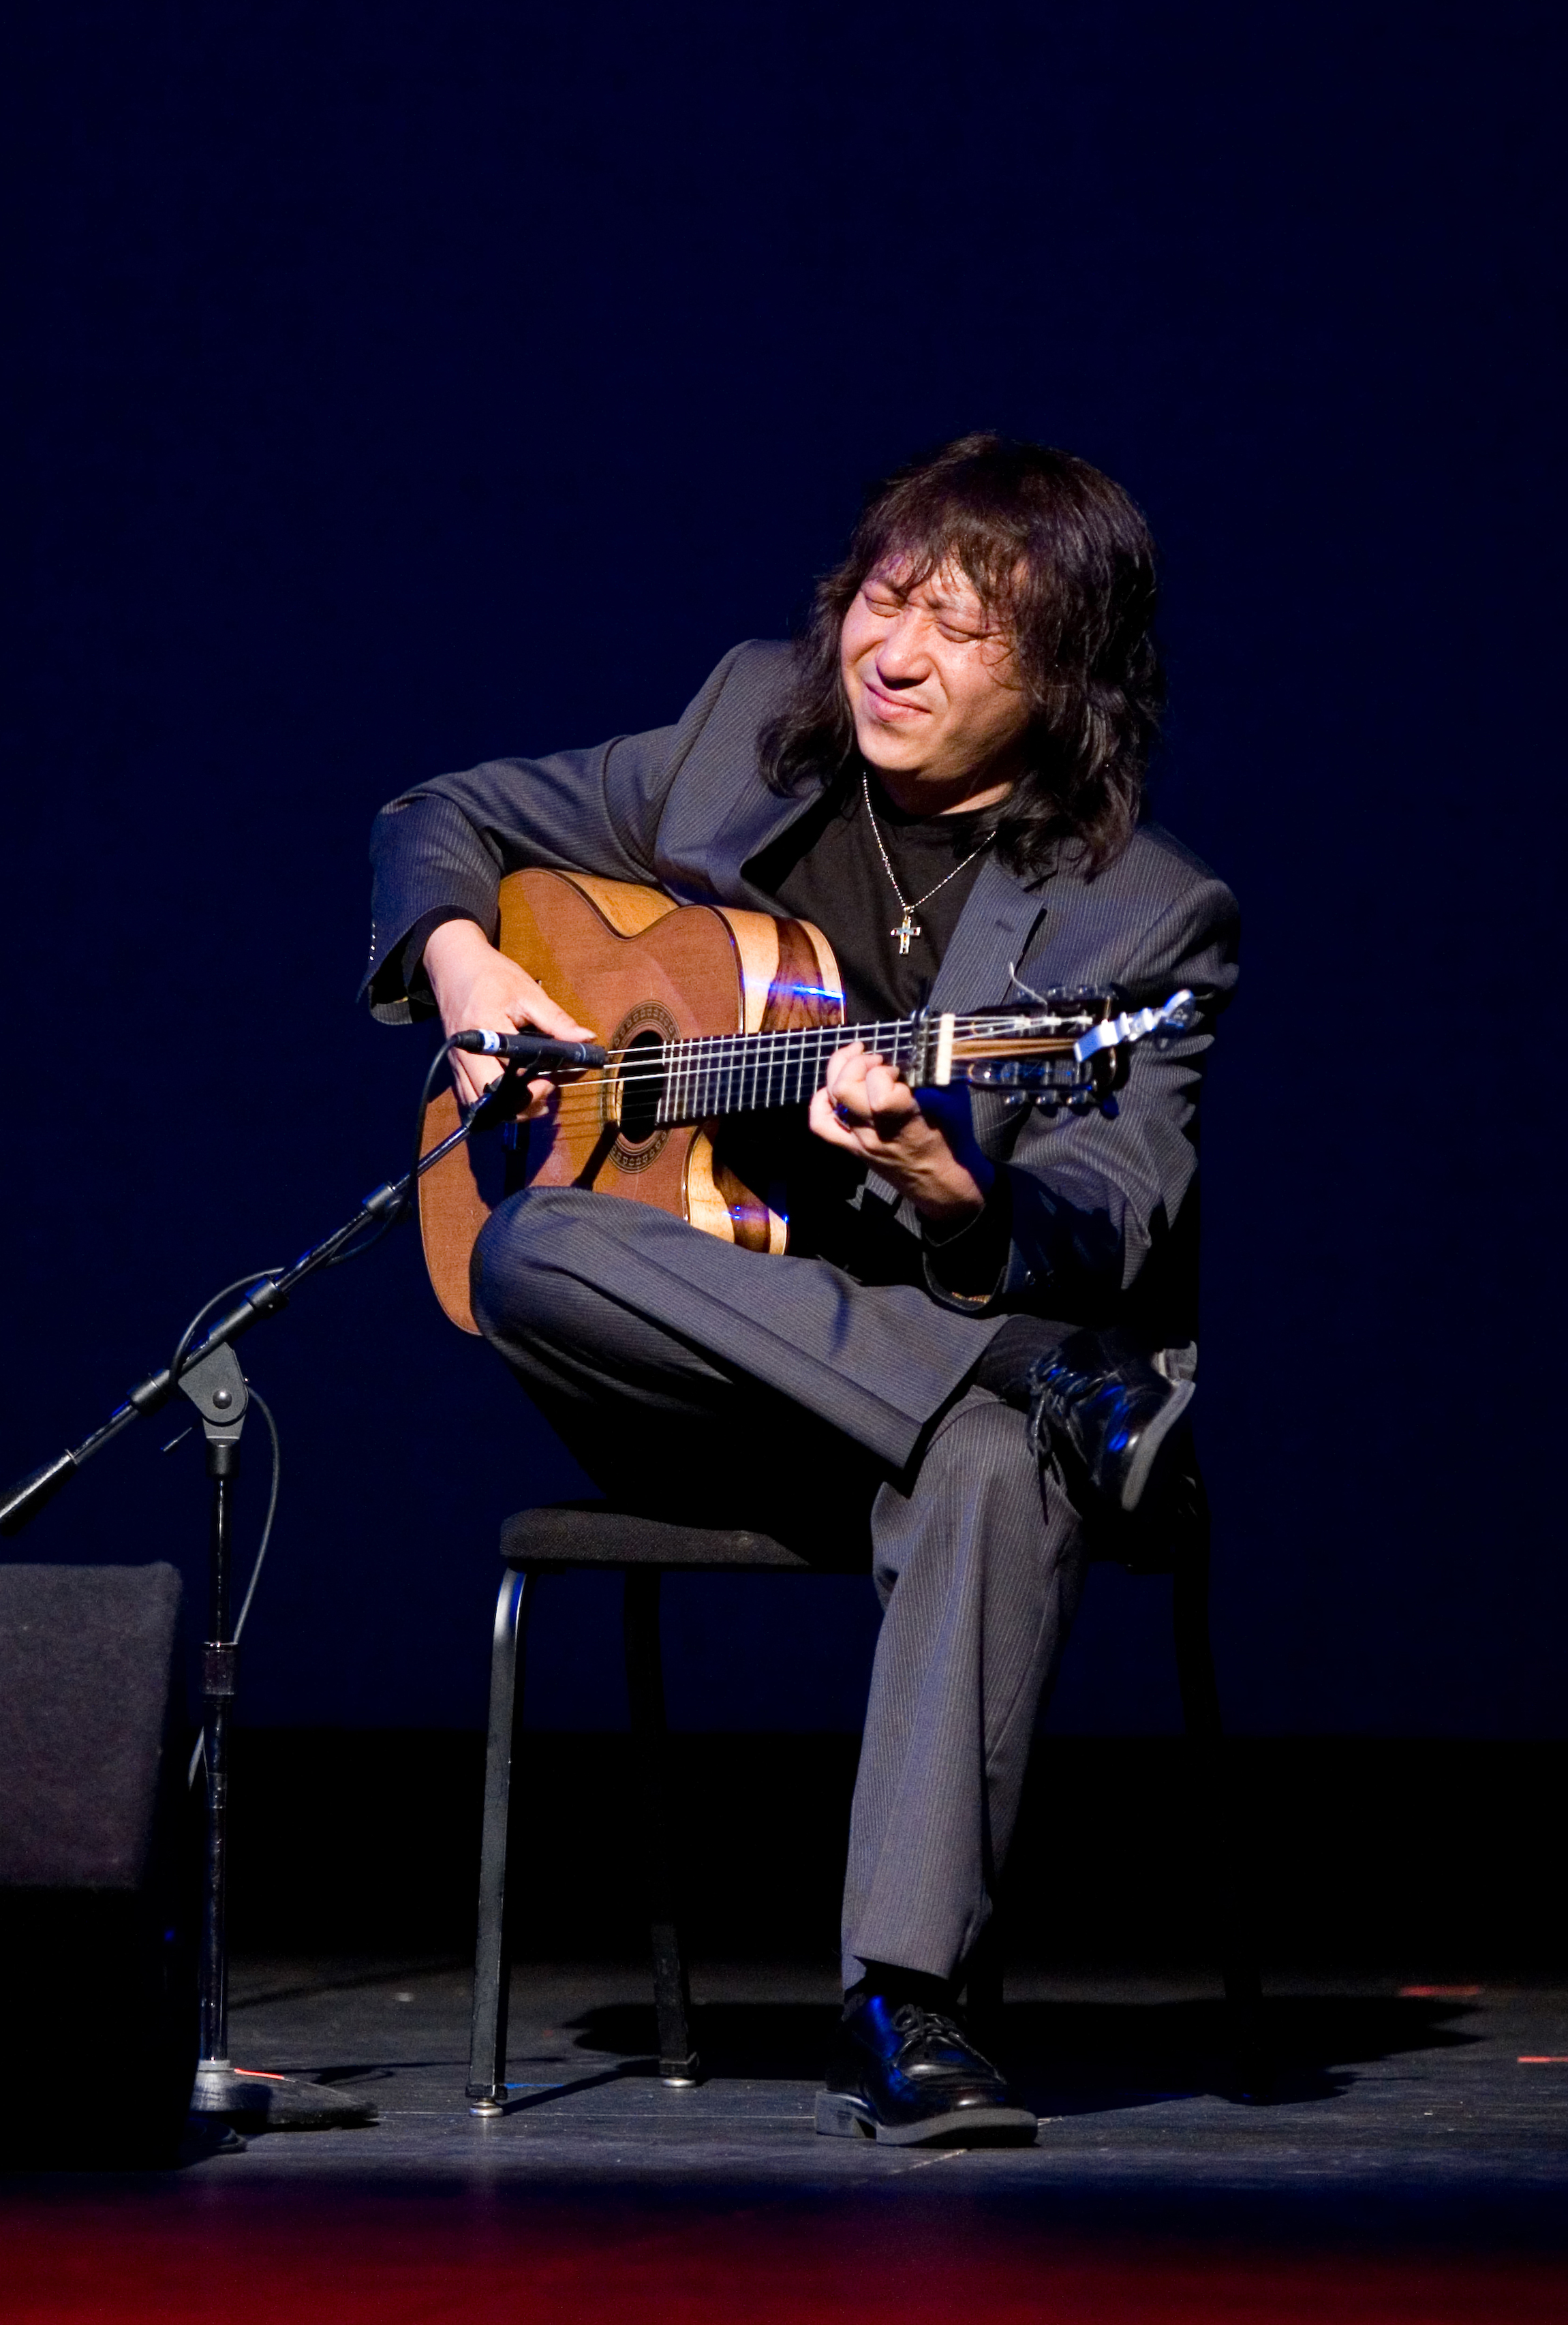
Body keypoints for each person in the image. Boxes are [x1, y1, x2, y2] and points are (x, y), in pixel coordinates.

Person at [363, 433, 1240, 2144]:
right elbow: (434, 817)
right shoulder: (733, 740)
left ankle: (904, 2003)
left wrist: (949, 1190)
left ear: (1066, 680)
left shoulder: (1144, 917)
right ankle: (1035, 1379)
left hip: (940, 1417)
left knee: (989, 1466)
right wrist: (469, 966)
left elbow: (1113, 1220)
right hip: (706, 1386)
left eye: (966, 628)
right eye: (885, 598)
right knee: (532, 1246)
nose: (893, 652)